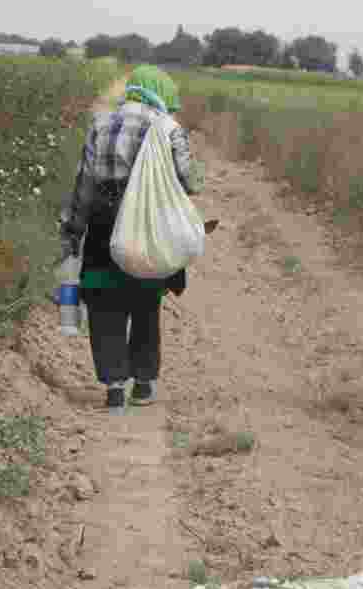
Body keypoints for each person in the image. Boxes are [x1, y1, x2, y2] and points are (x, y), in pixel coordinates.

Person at [59, 65, 205, 413]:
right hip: (148, 227)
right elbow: (189, 182)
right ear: (162, 93)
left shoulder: (100, 124)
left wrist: (73, 232)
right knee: (144, 301)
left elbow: (84, 186)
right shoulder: (168, 128)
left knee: (104, 301)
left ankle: (113, 387)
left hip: (104, 223)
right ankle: (142, 383)